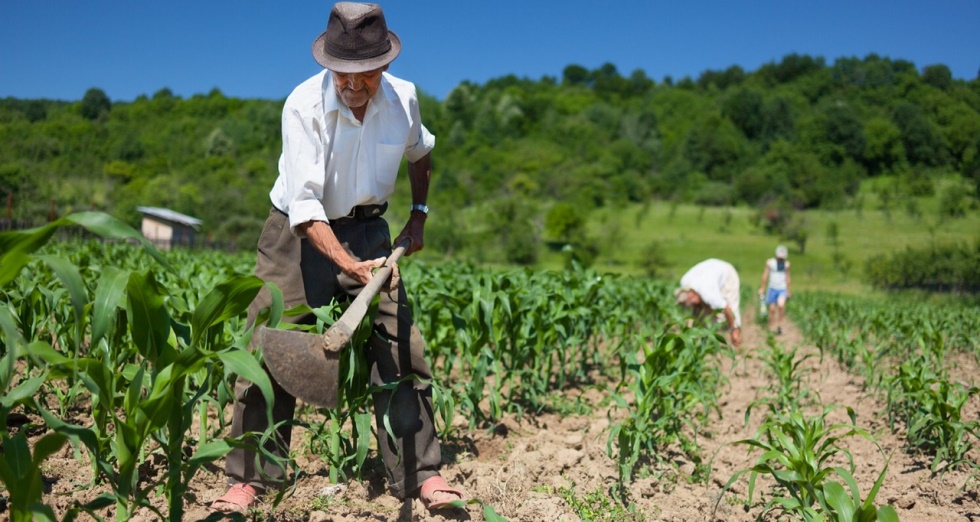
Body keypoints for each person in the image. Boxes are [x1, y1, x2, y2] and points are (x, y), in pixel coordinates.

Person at [210, 2, 462, 513]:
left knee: (400, 345)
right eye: (339, 73)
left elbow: (421, 152)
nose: (349, 85)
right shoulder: (302, 106)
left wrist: (418, 213)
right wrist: (347, 267)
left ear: (383, 65)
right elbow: (305, 209)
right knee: (266, 343)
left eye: (362, 74)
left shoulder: (405, 100)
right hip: (296, 234)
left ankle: (418, 472)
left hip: (371, 230)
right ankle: (251, 476)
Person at [674, 258, 742, 347]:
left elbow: (727, 308)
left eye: (692, 304)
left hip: (727, 274)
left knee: (731, 308)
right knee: (704, 313)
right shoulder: (684, 282)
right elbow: (696, 307)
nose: (693, 306)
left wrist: (732, 329)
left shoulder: (708, 293)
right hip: (711, 271)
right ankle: (702, 340)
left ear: (692, 295)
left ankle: (736, 336)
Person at [759, 245, 791, 334]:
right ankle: (771, 326)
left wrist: (788, 291)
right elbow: (765, 275)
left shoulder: (786, 265)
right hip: (772, 288)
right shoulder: (770, 263)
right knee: (772, 309)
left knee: (781, 305)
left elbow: (788, 277)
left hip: (782, 288)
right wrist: (762, 288)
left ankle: (780, 324)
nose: (780, 259)